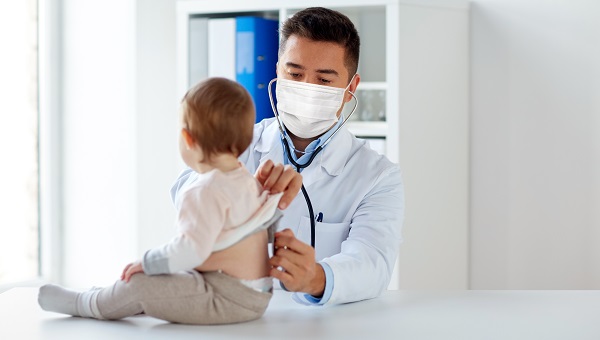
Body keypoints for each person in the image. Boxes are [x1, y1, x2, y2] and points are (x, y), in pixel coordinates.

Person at [37, 77, 300, 324]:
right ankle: (113, 296)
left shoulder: (204, 190)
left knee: (141, 283)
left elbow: (190, 251)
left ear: (187, 138)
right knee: (168, 279)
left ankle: (88, 303)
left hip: (227, 297)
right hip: (255, 295)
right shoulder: (245, 180)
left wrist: (147, 262)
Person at [205, 7, 405, 305]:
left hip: (321, 326)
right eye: (294, 73)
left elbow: (373, 263)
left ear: (351, 88)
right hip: (230, 312)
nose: (306, 88)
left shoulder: (378, 176)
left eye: (324, 80)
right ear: (277, 70)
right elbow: (185, 198)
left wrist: (315, 277)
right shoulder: (237, 143)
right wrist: (240, 191)